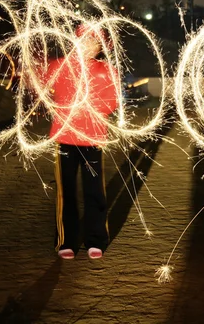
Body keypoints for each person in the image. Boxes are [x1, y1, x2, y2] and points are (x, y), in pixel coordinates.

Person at [42, 25, 119, 260]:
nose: (89, 45)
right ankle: (66, 240)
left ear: (101, 47)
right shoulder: (59, 66)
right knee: (66, 191)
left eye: (94, 42)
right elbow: (42, 90)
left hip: (92, 138)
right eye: (84, 40)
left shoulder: (107, 70)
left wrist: (85, 109)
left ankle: (95, 239)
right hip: (64, 138)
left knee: (94, 190)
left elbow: (112, 102)